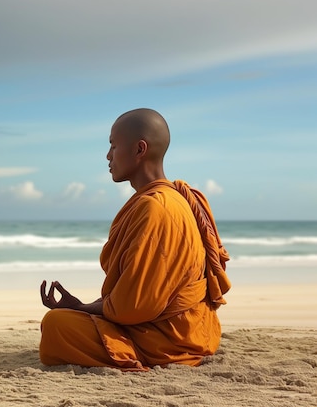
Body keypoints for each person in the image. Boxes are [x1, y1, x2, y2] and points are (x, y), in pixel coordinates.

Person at [39, 108, 231, 371]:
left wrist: (86, 309)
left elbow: (135, 307)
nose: (108, 156)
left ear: (139, 149)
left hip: (168, 341)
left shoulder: (156, 208)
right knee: (62, 320)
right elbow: (139, 294)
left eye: (113, 146)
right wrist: (84, 307)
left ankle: (136, 354)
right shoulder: (172, 197)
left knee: (56, 325)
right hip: (179, 328)